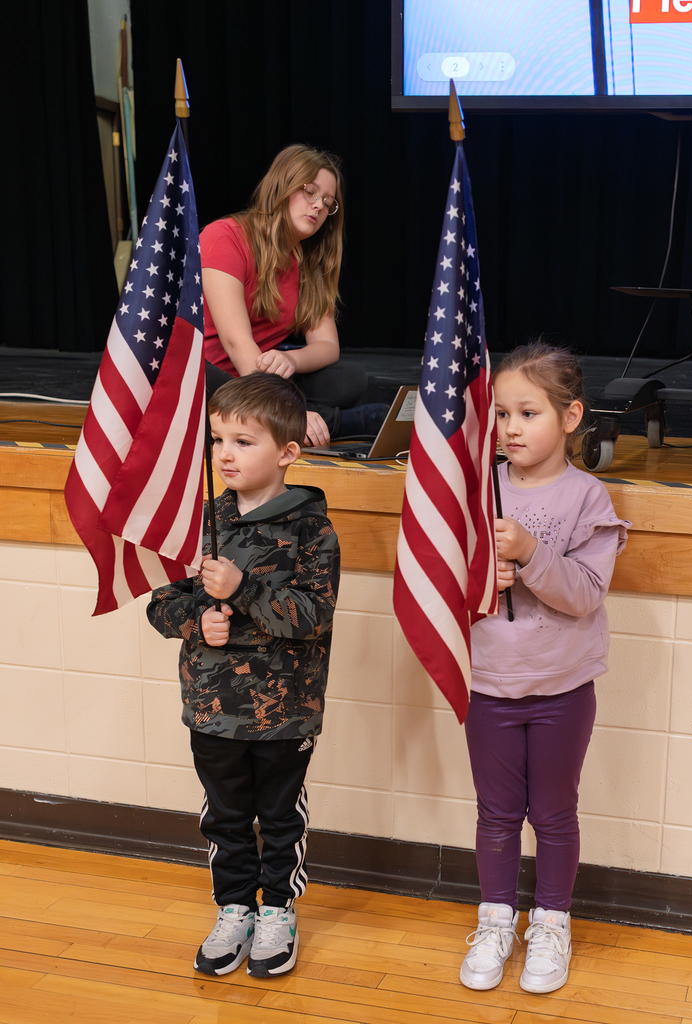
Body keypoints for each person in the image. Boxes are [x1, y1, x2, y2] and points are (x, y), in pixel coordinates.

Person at [147, 372, 340, 979]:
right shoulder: (206, 520)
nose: (225, 454)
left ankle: (277, 910)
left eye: (244, 441)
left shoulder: (311, 529)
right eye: (218, 440)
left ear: (287, 452)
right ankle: (234, 907)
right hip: (212, 707)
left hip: (284, 713)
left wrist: (244, 587)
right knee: (225, 816)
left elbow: (312, 616)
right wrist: (196, 619)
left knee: (279, 817)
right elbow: (161, 602)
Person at [460, 342, 630, 995]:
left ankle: (551, 921)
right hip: (489, 686)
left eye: (526, 412)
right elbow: (444, 579)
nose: (508, 428)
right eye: (500, 413)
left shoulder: (586, 497)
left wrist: (529, 553)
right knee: (495, 813)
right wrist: (477, 572)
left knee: (553, 811)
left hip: (561, 689)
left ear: (569, 416)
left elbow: (584, 592)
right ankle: (495, 918)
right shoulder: (476, 488)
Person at [201, 143, 387, 447]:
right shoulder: (224, 236)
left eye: (328, 202)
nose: (319, 206)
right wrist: (292, 408)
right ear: (281, 187)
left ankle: (272, 420)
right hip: (219, 375)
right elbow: (237, 344)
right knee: (196, 380)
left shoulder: (308, 261)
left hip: (262, 376)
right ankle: (329, 423)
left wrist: (291, 358)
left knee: (348, 379)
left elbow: (327, 346)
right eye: (310, 192)